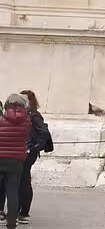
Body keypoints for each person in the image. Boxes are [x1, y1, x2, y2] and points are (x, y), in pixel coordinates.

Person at [17, 90, 50, 225]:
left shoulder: (33, 114)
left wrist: (34, 148)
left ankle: (24, 212)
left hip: (29, 152)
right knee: (22, 179)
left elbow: (44, 133)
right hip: (22, 150)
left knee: (24, 180)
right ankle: (21, 210)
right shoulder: (24, 114)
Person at [0, 94, 31, 229]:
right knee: (13, 192)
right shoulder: (27, 122)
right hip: (16, 161)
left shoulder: (1, 119)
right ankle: (12, 223)